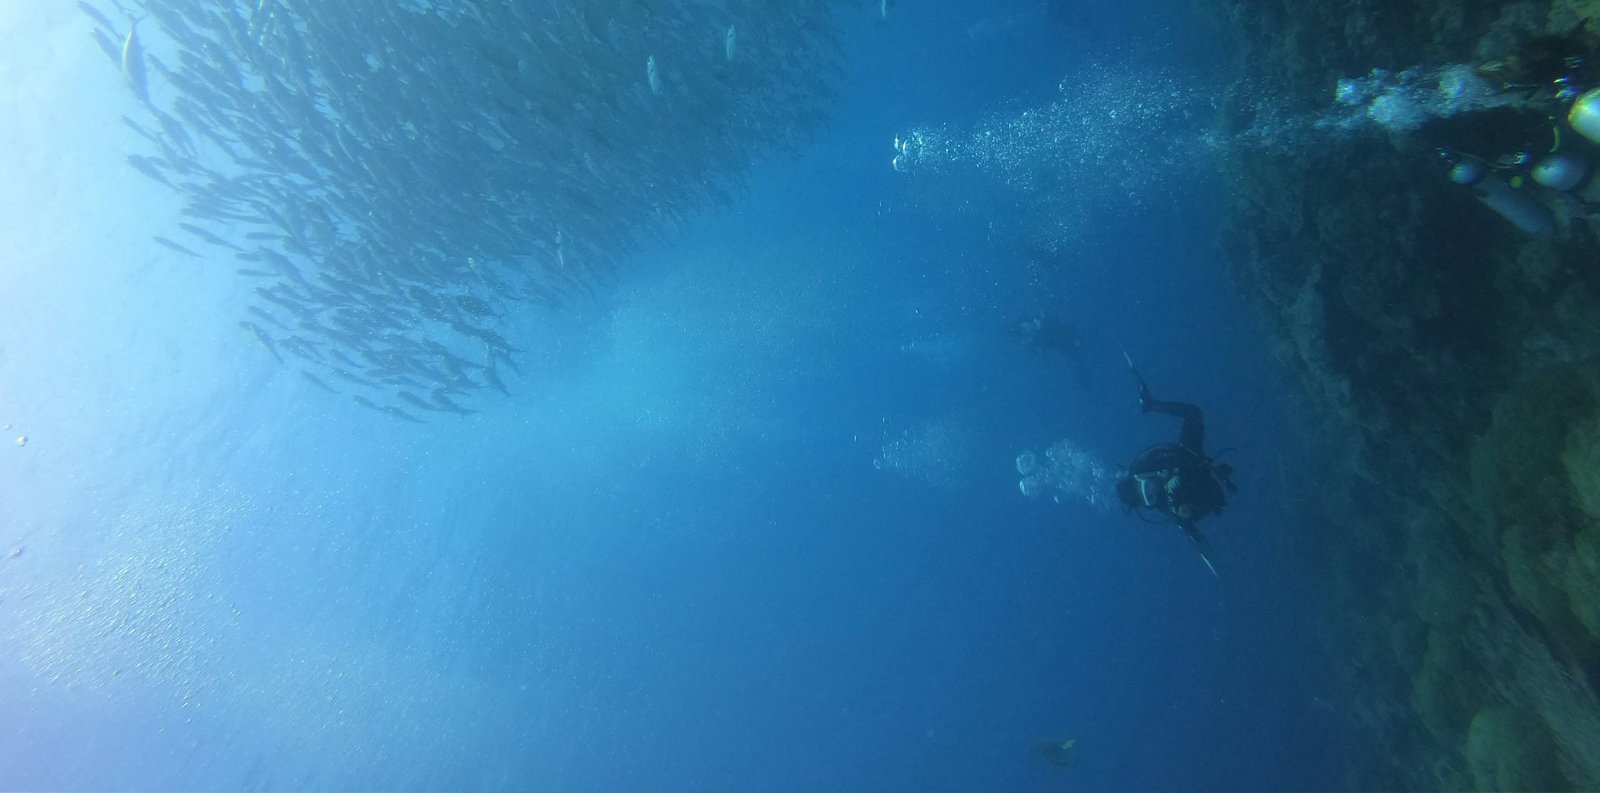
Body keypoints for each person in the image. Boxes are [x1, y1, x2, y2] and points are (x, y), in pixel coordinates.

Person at [1114, 356, 1236, 576]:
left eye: (1145, 487)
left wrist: (1178, 470)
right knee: (1207, 503)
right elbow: (1194, 528)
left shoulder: (1146, 465)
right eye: (1147, 497)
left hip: (1190, 458)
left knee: (1193, 412)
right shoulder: (1166, 505)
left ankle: (1151, 404)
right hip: (1201, 484)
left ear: (1139, 478)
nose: (1150, 491)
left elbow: (1175, 451)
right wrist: (1186, 512)